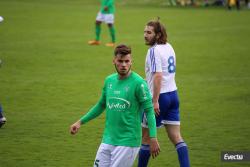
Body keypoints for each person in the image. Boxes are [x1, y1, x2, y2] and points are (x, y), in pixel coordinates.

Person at [70, 44, 160, 167]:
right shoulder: (109, 81)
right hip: (108, 140)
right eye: (120, 61)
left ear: (131, 62)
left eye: (127, 61)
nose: (124, 65)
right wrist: (80, 122)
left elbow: (149, 111)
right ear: (114, 61)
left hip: (128, 142)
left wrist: (153, 138)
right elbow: (101, 105)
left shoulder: (139, 84)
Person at [137, 19, 190, 167]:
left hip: (159, 98)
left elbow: (158, 75)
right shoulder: (169, 46)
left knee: (146, 139)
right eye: (144, 32)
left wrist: (154, 101)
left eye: (149, 32)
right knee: (176, 137)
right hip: (173, 95)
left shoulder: (153, 51)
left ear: (158, 34)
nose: (145, 35)